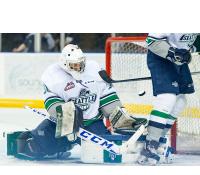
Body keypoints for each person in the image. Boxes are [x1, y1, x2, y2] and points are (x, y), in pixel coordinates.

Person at [8, 44, 147, 160]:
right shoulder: (53, 75)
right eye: (74, 65)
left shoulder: (94, 69)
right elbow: (51, 102)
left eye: (81, 63)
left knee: (102, 155)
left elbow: (107, 97)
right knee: (36, 147)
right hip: (59, 124)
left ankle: (66, 144)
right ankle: (58, 145)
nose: (79, 67)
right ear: (64, 63)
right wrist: (67, 118)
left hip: (92, 123)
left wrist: (119, 117)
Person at [138, 33, 199, 165]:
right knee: (167, 98)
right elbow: (151, 41)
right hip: (161, 58)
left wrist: (189, 51)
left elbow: (195, 43)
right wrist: (173, 52)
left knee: (180, 102)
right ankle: (150, 144)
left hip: (179, 60)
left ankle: (158, 139)